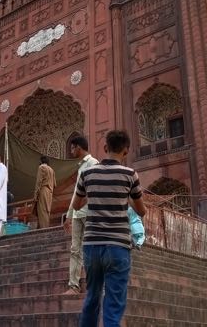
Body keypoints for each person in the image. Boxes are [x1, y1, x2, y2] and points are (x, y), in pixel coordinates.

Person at [72, 130, 146, 327]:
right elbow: (141, 211)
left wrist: (96, 195)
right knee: (113, 306)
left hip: (92, 245)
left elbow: (76, 206)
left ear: (105, 148)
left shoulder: (87, 173)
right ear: (126, 150)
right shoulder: (130, 175)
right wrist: (123, 195)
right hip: (118, 246)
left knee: (92, 298)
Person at [63, 135, 99, 295]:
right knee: (75, 249)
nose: (71, 151)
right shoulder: (81, 166)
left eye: (72, 147)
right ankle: (73, 285)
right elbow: (77, 193)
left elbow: (96, 189)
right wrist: (69, 215)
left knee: (91, 248)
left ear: (78, 147)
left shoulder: (93, 163)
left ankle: (95, 285)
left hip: (90, 212)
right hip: (78, 214)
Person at [33, 155, 57, 229]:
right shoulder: (51, 170)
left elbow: (38, 182)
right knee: (46, 212)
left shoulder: (41, 167)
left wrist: (35, 195)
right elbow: (55, 184)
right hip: (50, 192)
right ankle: (42, 228)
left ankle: (43, 230)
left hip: (43, 190)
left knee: (42, 211)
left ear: (41, 161)